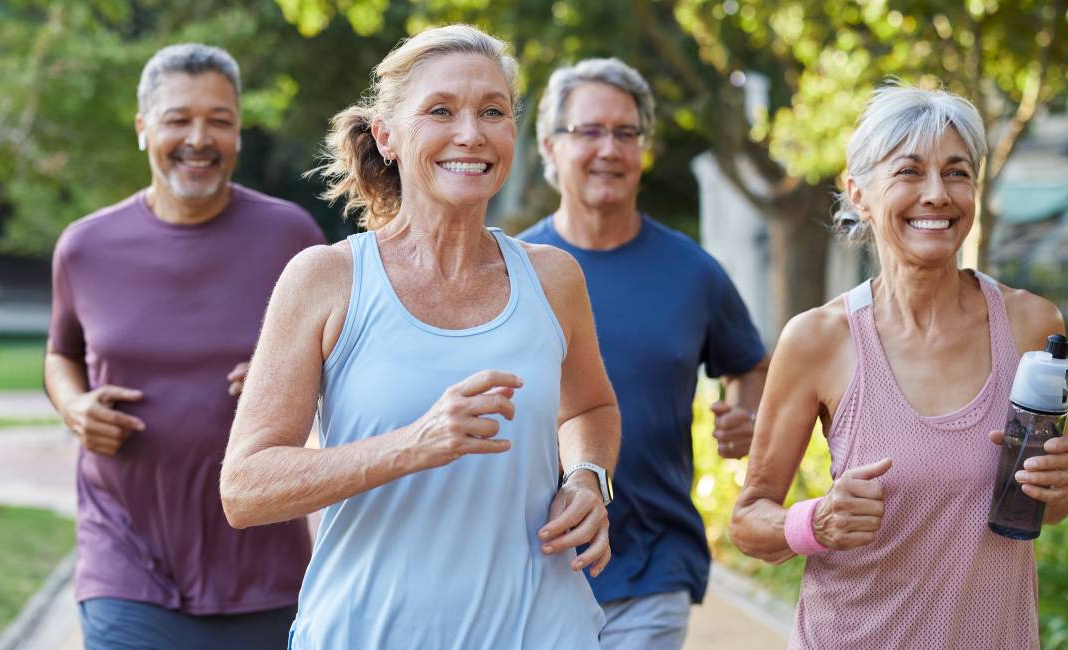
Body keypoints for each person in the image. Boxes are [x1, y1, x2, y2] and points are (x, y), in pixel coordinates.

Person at [221, 24, 617, 649]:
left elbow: (591, 406)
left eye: (492, 111)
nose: (471, 134)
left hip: (541, 630)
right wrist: (413, 444)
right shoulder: (326, 279)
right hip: (366, 631)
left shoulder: (553, 277)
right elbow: (245, 489)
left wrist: (589, 476)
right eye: (440, 111)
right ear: (387, 135)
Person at [729, 84, 1068, 649]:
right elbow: (749, 523)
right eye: (910, 172)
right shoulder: (819, 340)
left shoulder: (1031, 325)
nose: (938, 194)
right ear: (859, 194)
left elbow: (1047, 503)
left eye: (957, 172)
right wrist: (816, 523)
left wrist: (1059, 488)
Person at [43, 43, 325, 649]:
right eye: (178, 119)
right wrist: (73, 407)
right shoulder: (85, 247)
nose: (199, 137)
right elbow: (60, 353)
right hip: (125, 558)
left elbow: (342, 359)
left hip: (263, 563)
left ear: (239, 133)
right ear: (144, 128)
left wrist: (293, 378)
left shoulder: (292, 238)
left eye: (219, 121)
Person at [518, 58, 769, 649]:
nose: (610, 149)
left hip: (652, 566)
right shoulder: (511, 270)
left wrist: (746, 417)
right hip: (529, 563)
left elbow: (748, 364)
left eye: (626, 133)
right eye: (590, 131)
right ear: (550, 148)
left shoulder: (693, 272)